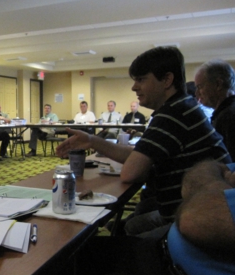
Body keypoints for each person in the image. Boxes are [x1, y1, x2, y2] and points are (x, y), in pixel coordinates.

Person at [56, 46, 231, 237]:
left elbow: (130, 173)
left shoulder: (172, 114)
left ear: (167, 80)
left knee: (119, 241)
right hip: (201, 211)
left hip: (206, 222)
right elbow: (140, 156)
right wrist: (92, 141)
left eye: (141, 79)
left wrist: (96, 143)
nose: (134, 87)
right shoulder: (181, 106)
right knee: (128, 226)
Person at [22, 159, 235, 275]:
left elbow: (196, 217)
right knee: (77, 251)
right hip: (158, 258)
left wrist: (211, 174)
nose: (134, 92)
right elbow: (202, 183)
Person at [194, 59, 235, 159]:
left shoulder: (228, 117)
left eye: (200, 87)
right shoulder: (225, 113)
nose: (197, 93)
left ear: (218, 84)